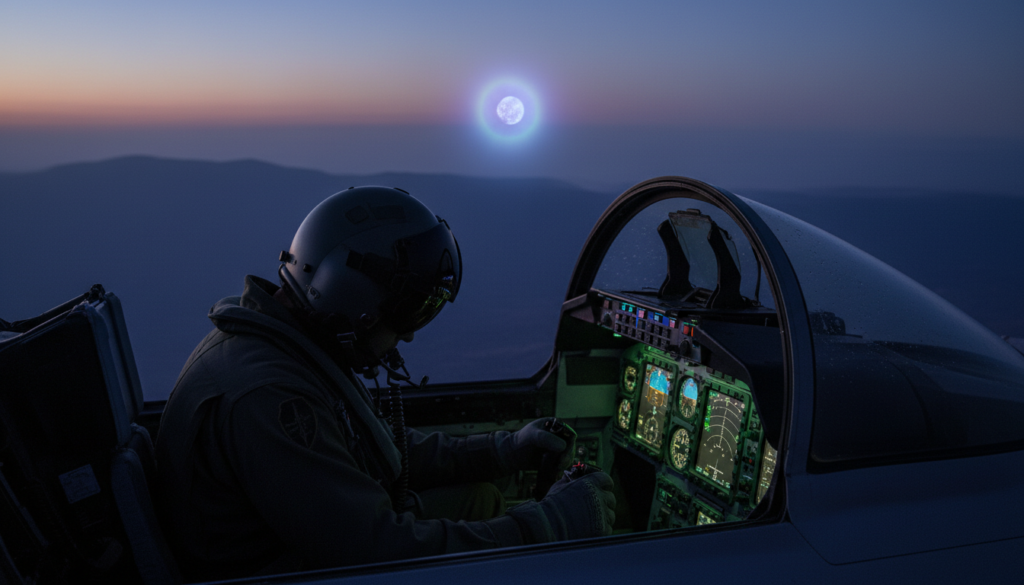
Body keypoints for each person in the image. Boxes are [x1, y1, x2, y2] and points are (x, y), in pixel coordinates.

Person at [155, 186, 616, 580]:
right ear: (349, 292)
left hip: (301, 550)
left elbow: (367, 448)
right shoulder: (271, 397)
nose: (411, 333)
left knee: (480, 497)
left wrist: (500, 449)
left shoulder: (290, 349)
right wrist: (549, 524)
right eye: (408, 311)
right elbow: (377, 554)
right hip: (288, 570)